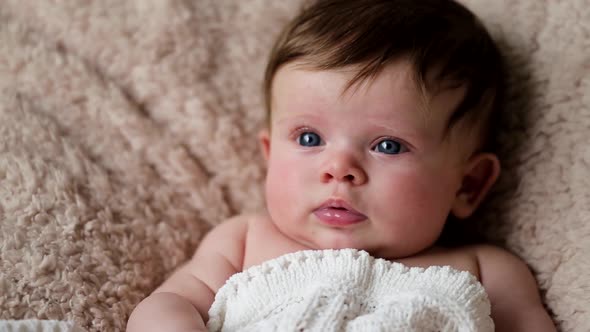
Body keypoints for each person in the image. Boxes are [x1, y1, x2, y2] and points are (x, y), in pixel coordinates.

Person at [127, 0, 556, 330]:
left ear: (468, 185)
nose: (340, 168)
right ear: (270, 154)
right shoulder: (242, 241)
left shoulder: (485, 269)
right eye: (310, 138)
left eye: (388, 145)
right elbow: (167, 305)